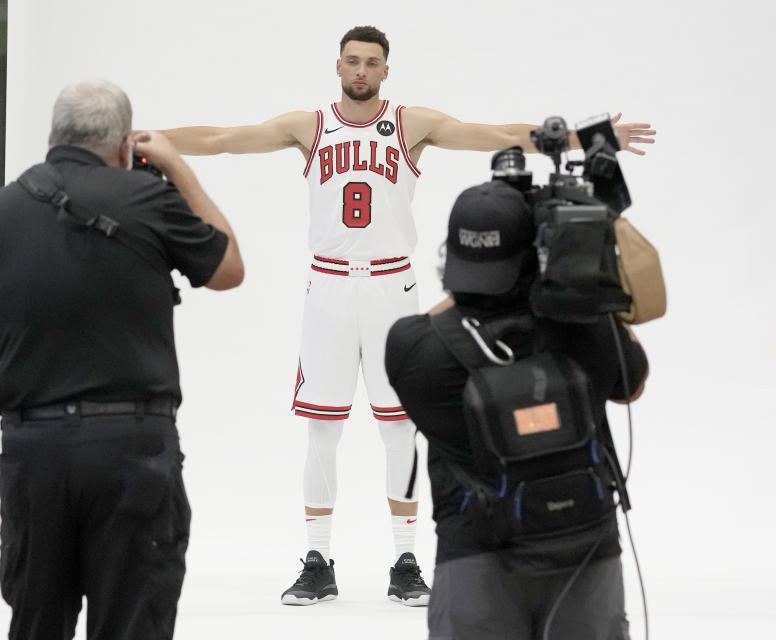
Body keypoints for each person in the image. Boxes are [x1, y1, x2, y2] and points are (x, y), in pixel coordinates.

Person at [158, 24, 656, 607]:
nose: (361, 71)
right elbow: (222, 138)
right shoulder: (310, 125)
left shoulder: (409, 123)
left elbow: (497, 135)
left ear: (386, 71)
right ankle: (317, 559)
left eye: (372, 62)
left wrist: (591, 137)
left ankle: (405, 560)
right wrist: (141, 141)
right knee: (323, 427)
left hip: (393, 284)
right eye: (352, 61)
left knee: (401, 425)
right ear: (337, 67)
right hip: (329, 286)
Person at [0, 80, 243, 639]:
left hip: (32, 451)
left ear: (52, 136)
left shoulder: (8, 208)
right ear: (123, 145)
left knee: (36, 623)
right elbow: (227, 267)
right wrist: (178, 169)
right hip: (131, 451)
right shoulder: (148, 199)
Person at [384, 180, 648, 639]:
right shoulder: (587, 332)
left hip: (475, 555)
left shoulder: (413, 349)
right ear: (530, 256)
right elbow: (632, 386)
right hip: (585, 548)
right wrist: (577, 277)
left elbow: (444, 314)